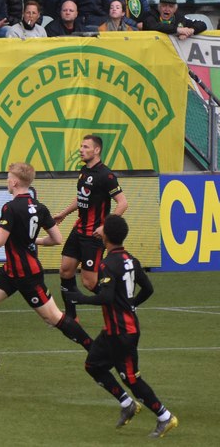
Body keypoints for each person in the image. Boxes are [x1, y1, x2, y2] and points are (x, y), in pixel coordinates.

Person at [62, 215, 179, 438]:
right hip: (115, 331)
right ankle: (127, 404)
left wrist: (79, 298)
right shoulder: (130, 260)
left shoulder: (107, 264)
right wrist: (131, 303)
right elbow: (148, 289)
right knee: (93, 365)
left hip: (122, 333)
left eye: (103, 227)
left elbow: (106, 297)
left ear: (107, 235)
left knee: (132, 379)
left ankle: (165, 417)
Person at [0, 162, 93, 374]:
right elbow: (57, 239)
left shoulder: (10, 207)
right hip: (12, 270)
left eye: (9, 178)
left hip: (27, 275)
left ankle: (94, 348)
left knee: (53, 317)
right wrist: (32, 241)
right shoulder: (40, 207)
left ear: (15, 181)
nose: (7, 181)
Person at [53, 134, 128, 320]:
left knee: (89, 281)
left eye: (86, 147)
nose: (81, 150)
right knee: (65, 270)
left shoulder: (106, 175)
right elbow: (81, 198)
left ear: (97, 150)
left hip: (94, 235)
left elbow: (123, 203)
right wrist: (64, 213)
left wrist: (106, 227)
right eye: (81, 146)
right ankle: (71, 316)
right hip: (79, 229)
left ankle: (119, 307)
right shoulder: (84, 171)